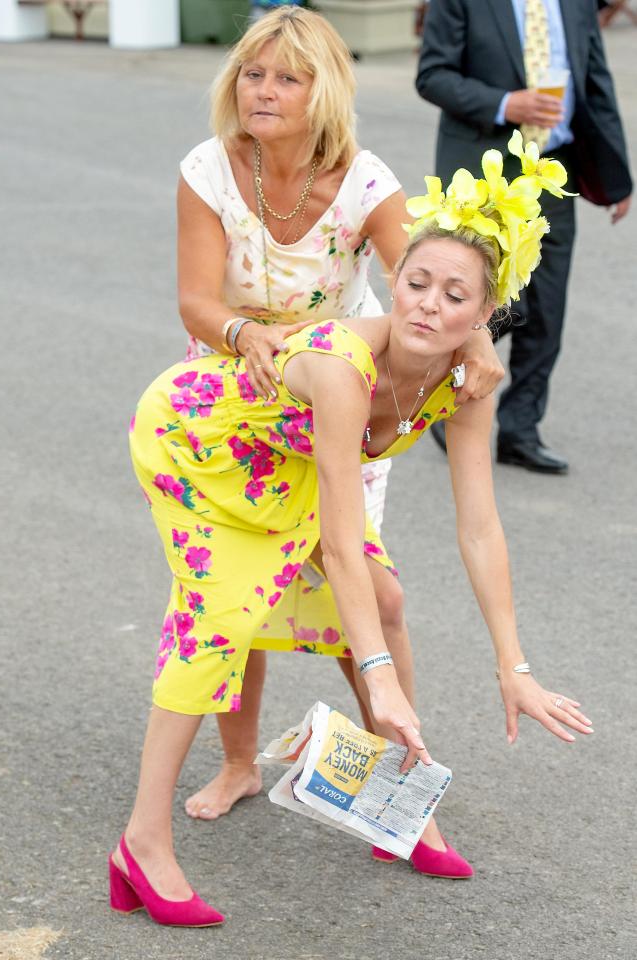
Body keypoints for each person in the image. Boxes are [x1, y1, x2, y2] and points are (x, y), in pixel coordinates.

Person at [111, 151, 593, 926]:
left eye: (454, 295)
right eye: (414, 281)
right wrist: (377, 678)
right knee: (220, 626)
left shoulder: (467, 383)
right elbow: (339, 543)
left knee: (387, 599)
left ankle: (401, 806)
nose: (427, 305)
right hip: (202, 446)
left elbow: (479, 526)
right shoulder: (342, 368)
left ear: (483, 316)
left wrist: (515, 665)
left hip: (290, 464)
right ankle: (142, 843)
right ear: (392, 280)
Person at [176, 3, 502, 867]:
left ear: (325, 93)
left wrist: (476, 346)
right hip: (236, 403)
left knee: (378, 596)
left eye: (287, 77)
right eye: (253, 72)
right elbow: (197, 302)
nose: (265, 90)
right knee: (234, 602)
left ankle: (405, 790)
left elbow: (425, 281)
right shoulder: (209, 168)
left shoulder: (364, 180)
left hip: (341, 400)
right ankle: (239, 763)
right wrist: (245, 335)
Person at [417, 0, 632, 473]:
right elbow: (432, 75)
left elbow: (595, 82)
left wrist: (617, 178)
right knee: (484, 306)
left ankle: (520, 428)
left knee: (547, 308)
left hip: (552, 172)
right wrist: (504, 103)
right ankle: (443, 403)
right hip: (483, 175)